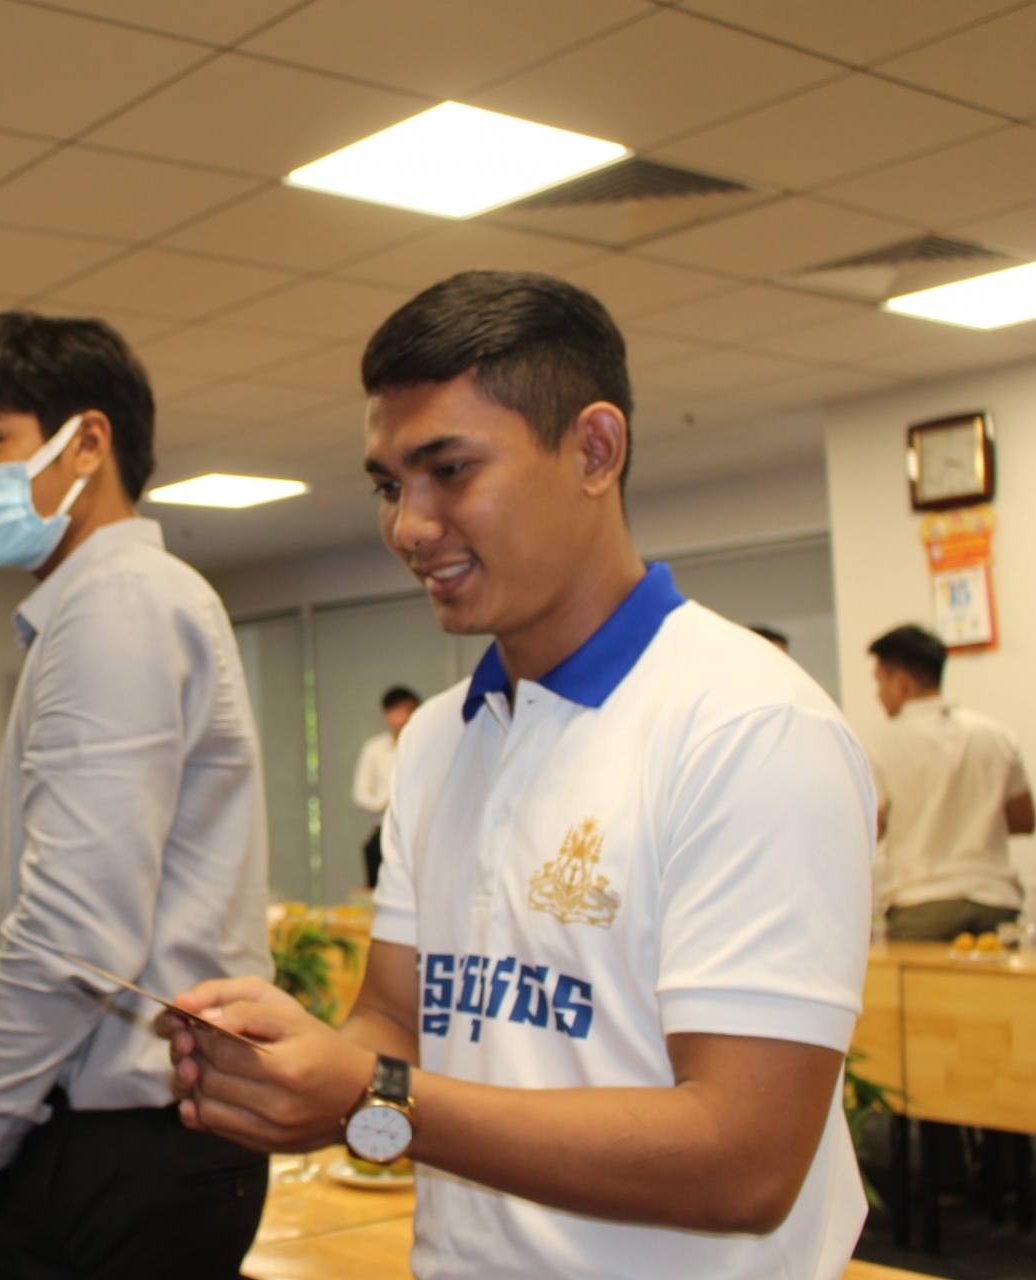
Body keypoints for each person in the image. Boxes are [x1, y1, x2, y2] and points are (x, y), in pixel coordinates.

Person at [165, 271, 876, 1280]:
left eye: (449, 469)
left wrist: (373, 1093)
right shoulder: (441, 740)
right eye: (387, 483)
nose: (409, 525)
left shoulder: (750, 728)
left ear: (594, 449)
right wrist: (295, 1074)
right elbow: (399, 1024)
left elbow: (745, 1158)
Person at [0, 312, 273, 1280]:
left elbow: (76, 930)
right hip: (138, 1135)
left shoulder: (119, 604)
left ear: (89, 441)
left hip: (124, 1146)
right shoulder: (118, 603)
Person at [865, 623, 1033, 941]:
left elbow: (873, 829)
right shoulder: (995, 735)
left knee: (926, 993)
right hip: (995, 902)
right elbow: (1024, 820)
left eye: (879, 683)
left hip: (921, 906)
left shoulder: (880, 744)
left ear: (902, 683)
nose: (878, 695)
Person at [352, 684, 420, 888]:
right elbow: (360, 794)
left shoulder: (424, 745)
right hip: (383, 829)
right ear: (386, 714)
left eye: (406, 710)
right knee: (379, 890)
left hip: (417, 829)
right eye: (394, 711)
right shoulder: (374, 748)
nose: (400, 717)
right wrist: (384, 801)